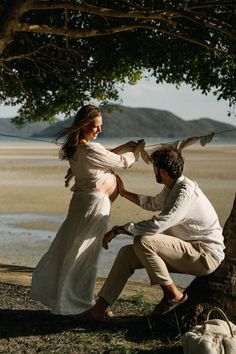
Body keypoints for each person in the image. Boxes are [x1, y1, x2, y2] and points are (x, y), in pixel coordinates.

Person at [86, 146, 225, 321]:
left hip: (205, 256)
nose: (153, 172)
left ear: (161, 171)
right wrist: (123, 193)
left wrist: (120, 229)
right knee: (126, 254)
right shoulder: (172, 187)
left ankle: (173, 294)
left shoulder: (184, 193)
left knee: (144, 240)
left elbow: (159, 225)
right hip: (189, 251)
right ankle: (99, 310)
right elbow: (152, 203)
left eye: (154, 168)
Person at [31, 104, 144, 315]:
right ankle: (79, 302)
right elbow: (121, 162)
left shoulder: (76, 149)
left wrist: (125, 146)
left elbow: (103, 156)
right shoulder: (91, 149)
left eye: (100, 126)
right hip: (93, 207)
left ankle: (67, 298)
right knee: (86, 253)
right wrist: (135, 152)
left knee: (72, 247)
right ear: (84, 126)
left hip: (80, 205)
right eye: (95, 126)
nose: (99, 130)